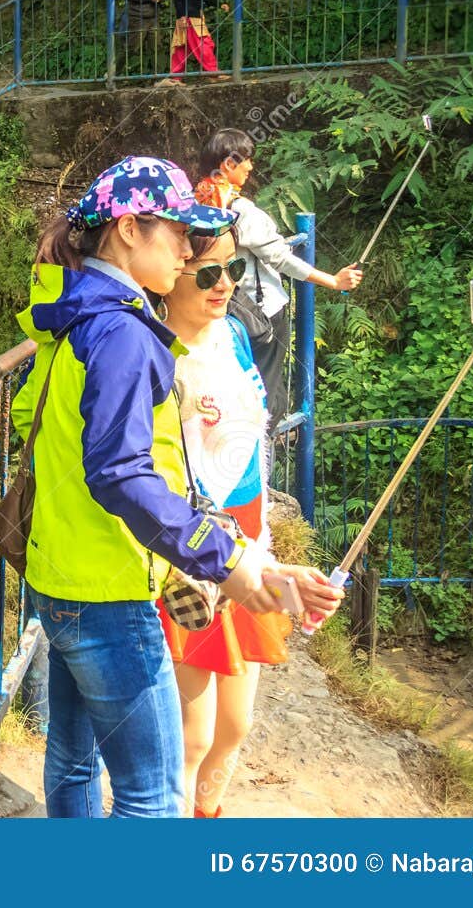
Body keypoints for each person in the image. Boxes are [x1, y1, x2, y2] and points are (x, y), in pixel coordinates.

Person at [12, 155, 344, 818]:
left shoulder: (72, 313)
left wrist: (251, 560)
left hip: (58, 577)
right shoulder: (124, 333)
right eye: (180, 234)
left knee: (74, 765)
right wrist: (225, 558)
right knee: (152, 793)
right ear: (130, 229)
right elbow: (124, 473)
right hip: (111, 592)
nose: (190, 251)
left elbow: (43, 425)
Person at [156, 227, 340, 817]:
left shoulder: (235, 333)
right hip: (188, 551)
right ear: (169, 273)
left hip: (247, 539)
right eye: (208, 273)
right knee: (192, 739)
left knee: (235, 730)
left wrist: (274, 569)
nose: (226, 284)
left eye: (231, 269)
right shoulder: (152, 352)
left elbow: (252, 454)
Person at [193, 128, 364, 422]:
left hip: (221, 310)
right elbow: (281, 258)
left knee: (234, 386)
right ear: (228, 165)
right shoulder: (242, 210)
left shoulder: (199, 201)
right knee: (265, 391)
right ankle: (264, 453)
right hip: (262, 314)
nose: (251, 166)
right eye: (246, 159)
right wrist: (333, 281)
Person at [167, 0, 229, 84]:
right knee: (204, 44)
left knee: (182, 48)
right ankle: (213, 73)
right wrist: (182, 16)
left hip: (193, 16)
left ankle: (176, 77)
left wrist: (219, 4)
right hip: (188, 17)